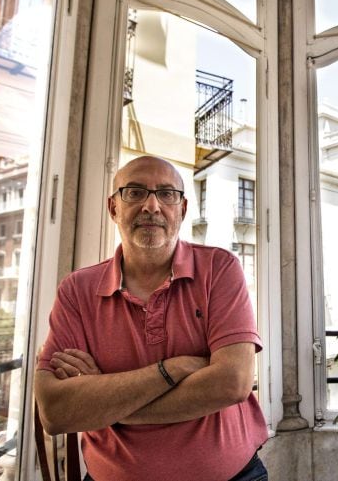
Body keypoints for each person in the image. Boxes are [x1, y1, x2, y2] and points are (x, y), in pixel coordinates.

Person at [34, 156, 269, 481]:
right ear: (113, 207)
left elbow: (233, 383)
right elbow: (56, 412)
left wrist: (104, 404)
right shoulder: (77, 290)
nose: (152, 206)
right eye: (134, 192)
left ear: (182, 210)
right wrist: (174, 368)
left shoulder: (220, 269)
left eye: (166, 194)